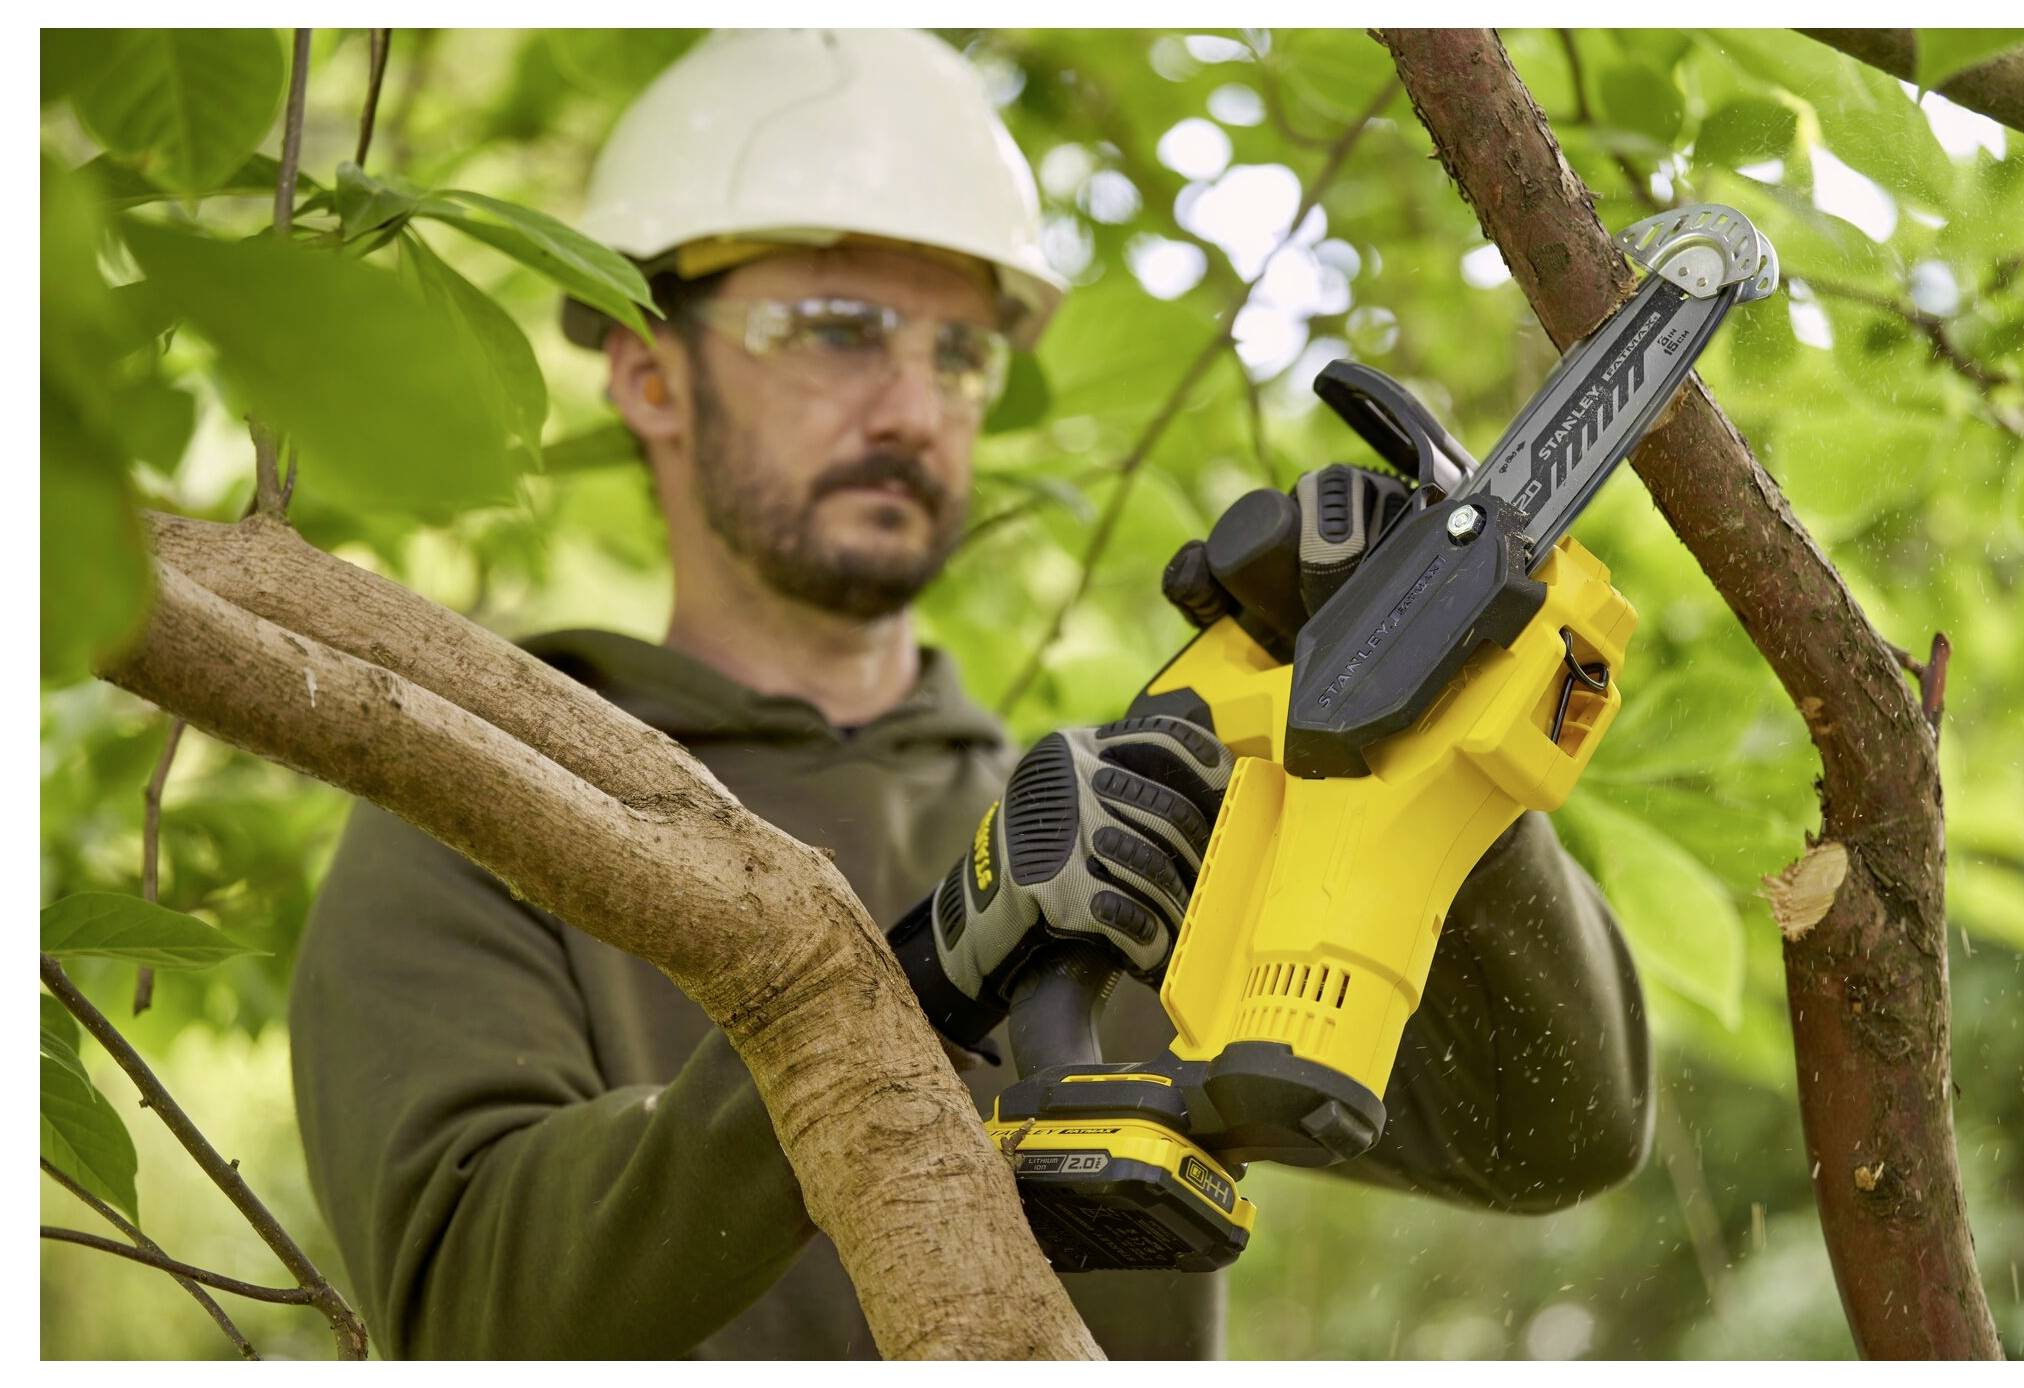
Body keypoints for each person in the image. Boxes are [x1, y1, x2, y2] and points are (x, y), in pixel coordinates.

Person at [288, 28, 1652, 1360]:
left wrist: (1393, 711)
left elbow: (1554, 1136)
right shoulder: (485, 800)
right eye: (837, 330)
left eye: (957, 354)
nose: (911, 405)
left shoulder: (1142, 818)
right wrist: (922, 973)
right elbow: (474, 1306)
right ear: (651, 372)